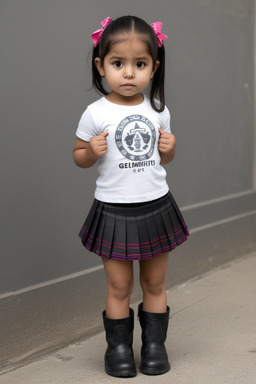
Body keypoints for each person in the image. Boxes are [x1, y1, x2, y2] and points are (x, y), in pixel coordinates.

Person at [73, 15, 189, 378]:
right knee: (119, 284)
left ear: (154, 67)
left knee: (154, 282)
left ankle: (154, 346)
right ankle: (118, 349)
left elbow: (162, 157)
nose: (128, 73)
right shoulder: (95, 112)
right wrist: (90, 150)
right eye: (117, 63)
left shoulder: (158, 111)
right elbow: (79, 158)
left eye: (139, 64)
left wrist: (169, 148)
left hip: (156, 204)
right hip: (114, 209)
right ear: (100, 65)